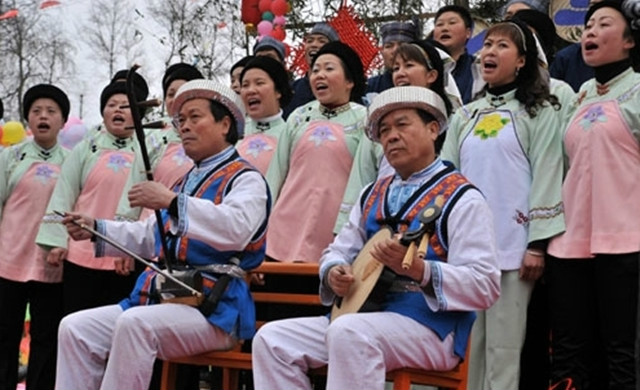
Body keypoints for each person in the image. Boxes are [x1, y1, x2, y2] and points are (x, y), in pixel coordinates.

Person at [252, 86, 501, 390]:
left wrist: (420, 270)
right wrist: (334, 273)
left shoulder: (463, 198)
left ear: (433, 129)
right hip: (363, 314)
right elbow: (337, 251)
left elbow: (486, 285)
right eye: (384, 130)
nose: (391, 136)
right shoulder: (372, 193)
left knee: (349, 332)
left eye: (402, 125)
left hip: (433, 328)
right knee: (272, 339)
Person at [53, 80, 270, 390]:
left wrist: (171, 201)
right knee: (75, 328)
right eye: (181, 120)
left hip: (216, 311)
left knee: (135, 323)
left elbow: (235, 229)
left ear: (225, 124)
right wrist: (94, 227)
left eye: (195, 117)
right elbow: (150, 236)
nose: (185, 127)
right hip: (170, 299)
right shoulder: (186, 183)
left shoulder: (246, 179)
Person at [440, 19, 565, 390]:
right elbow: (447, 179)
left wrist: (537, 244)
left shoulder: (540, 112)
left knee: (505, 348)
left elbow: (547, 172)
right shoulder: (464, 115)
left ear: (523, 60)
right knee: (469, 345)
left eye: (501, 46)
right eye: (487, 45)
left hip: (514, 247)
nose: (488, 52)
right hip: (467, 251)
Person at [547, 1, 640, 389]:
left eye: (604, 24)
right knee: (569, 350)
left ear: (630, 40)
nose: (590, 31)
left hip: (625, 237)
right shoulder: (580, 93)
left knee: (621, 349)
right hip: (570, 240)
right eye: (587, 25)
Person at [35, 80, 147, 316]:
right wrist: (56, 241)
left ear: (139, 113)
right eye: (111, 104)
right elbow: (64, 193)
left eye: (125, 106)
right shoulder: (87, 148)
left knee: (120, 327)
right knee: (77, 323)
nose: (117, 110)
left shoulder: (148, 149)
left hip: (124, 255)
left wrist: (130, 247)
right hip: (81, 253)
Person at [335, 39, 459, 233]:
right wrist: (344, 227)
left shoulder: (455, 120)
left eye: (409, 65)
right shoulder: (380, 119)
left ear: (432, 75)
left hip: (434, 221)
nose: (400, 73)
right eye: (396, 68)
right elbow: (362, 173)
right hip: (382, 218)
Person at [265, 40, 367, 264]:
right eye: (315, 70)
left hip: (335, 232)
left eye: (329, 69)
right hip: (284, 230)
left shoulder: (365, 120)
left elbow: (364, 179)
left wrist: (346, 227)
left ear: (349, 80)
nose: (319, 75)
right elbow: (276, 175)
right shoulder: (298, 117)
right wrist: (260, 226)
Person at [0, 84, 70, 390]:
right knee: (4, 336)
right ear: (28, 118)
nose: (43, 116)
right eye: (37, 111)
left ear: (62, 121)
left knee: (45, 338)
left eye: (51, 111)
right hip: (8, 261)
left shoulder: (72, 160)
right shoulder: (10, 157)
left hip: (51, 263)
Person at [115, 62, 203, 222]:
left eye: (183, 92)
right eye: (170, 94)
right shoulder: (153, 135)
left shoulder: (213, 136)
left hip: (198, 228)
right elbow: (135, 185)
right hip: (152, 229)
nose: (175, 99)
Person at [237, 56, 293, 175]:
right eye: (245, 85)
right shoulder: (233, 133)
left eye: (259, 83)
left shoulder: (291, 135)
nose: (251, 90)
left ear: (278, 91)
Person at [282, 22, 340, 119]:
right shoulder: (292, 90)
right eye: (309, 41)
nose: (314, 45)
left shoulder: (342, 90)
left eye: (322, 41)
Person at [433, 5, 479, 103]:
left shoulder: (478, 69)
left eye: (452, 23)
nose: (444, 28)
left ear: (468, 33)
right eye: (440, 24)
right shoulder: (424, 66)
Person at [365, 21, 419, 96]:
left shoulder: (421, 84)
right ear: (382, 52)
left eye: (402, 45)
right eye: (389, 46)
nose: (395, 51)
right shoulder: (369, 88)